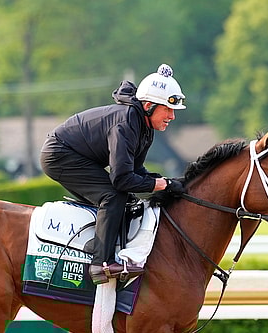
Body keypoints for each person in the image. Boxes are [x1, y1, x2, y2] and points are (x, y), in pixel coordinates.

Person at [40, 64, 187, 285]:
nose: (172, 116)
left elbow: (135, 172)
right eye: (168, 109)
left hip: (76, 154)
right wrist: (161, 185)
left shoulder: (143, 126)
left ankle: (98, 245)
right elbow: (121, 180)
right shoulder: (127, 123)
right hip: (59, 154)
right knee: (112, 196)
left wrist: (167, 182)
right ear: (148, 106)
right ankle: (100, 264)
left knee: (124, 197)